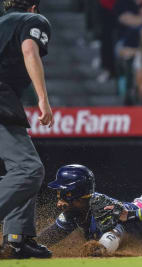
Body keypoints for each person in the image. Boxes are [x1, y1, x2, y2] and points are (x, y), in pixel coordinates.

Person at [0, 0, 53, 259]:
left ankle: (17, 238)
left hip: (6, 100)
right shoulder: (32, 20)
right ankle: (17, 237)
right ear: (33, 7)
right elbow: (30, 50)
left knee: (22, 169)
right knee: (28, 170)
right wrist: (43, 98)